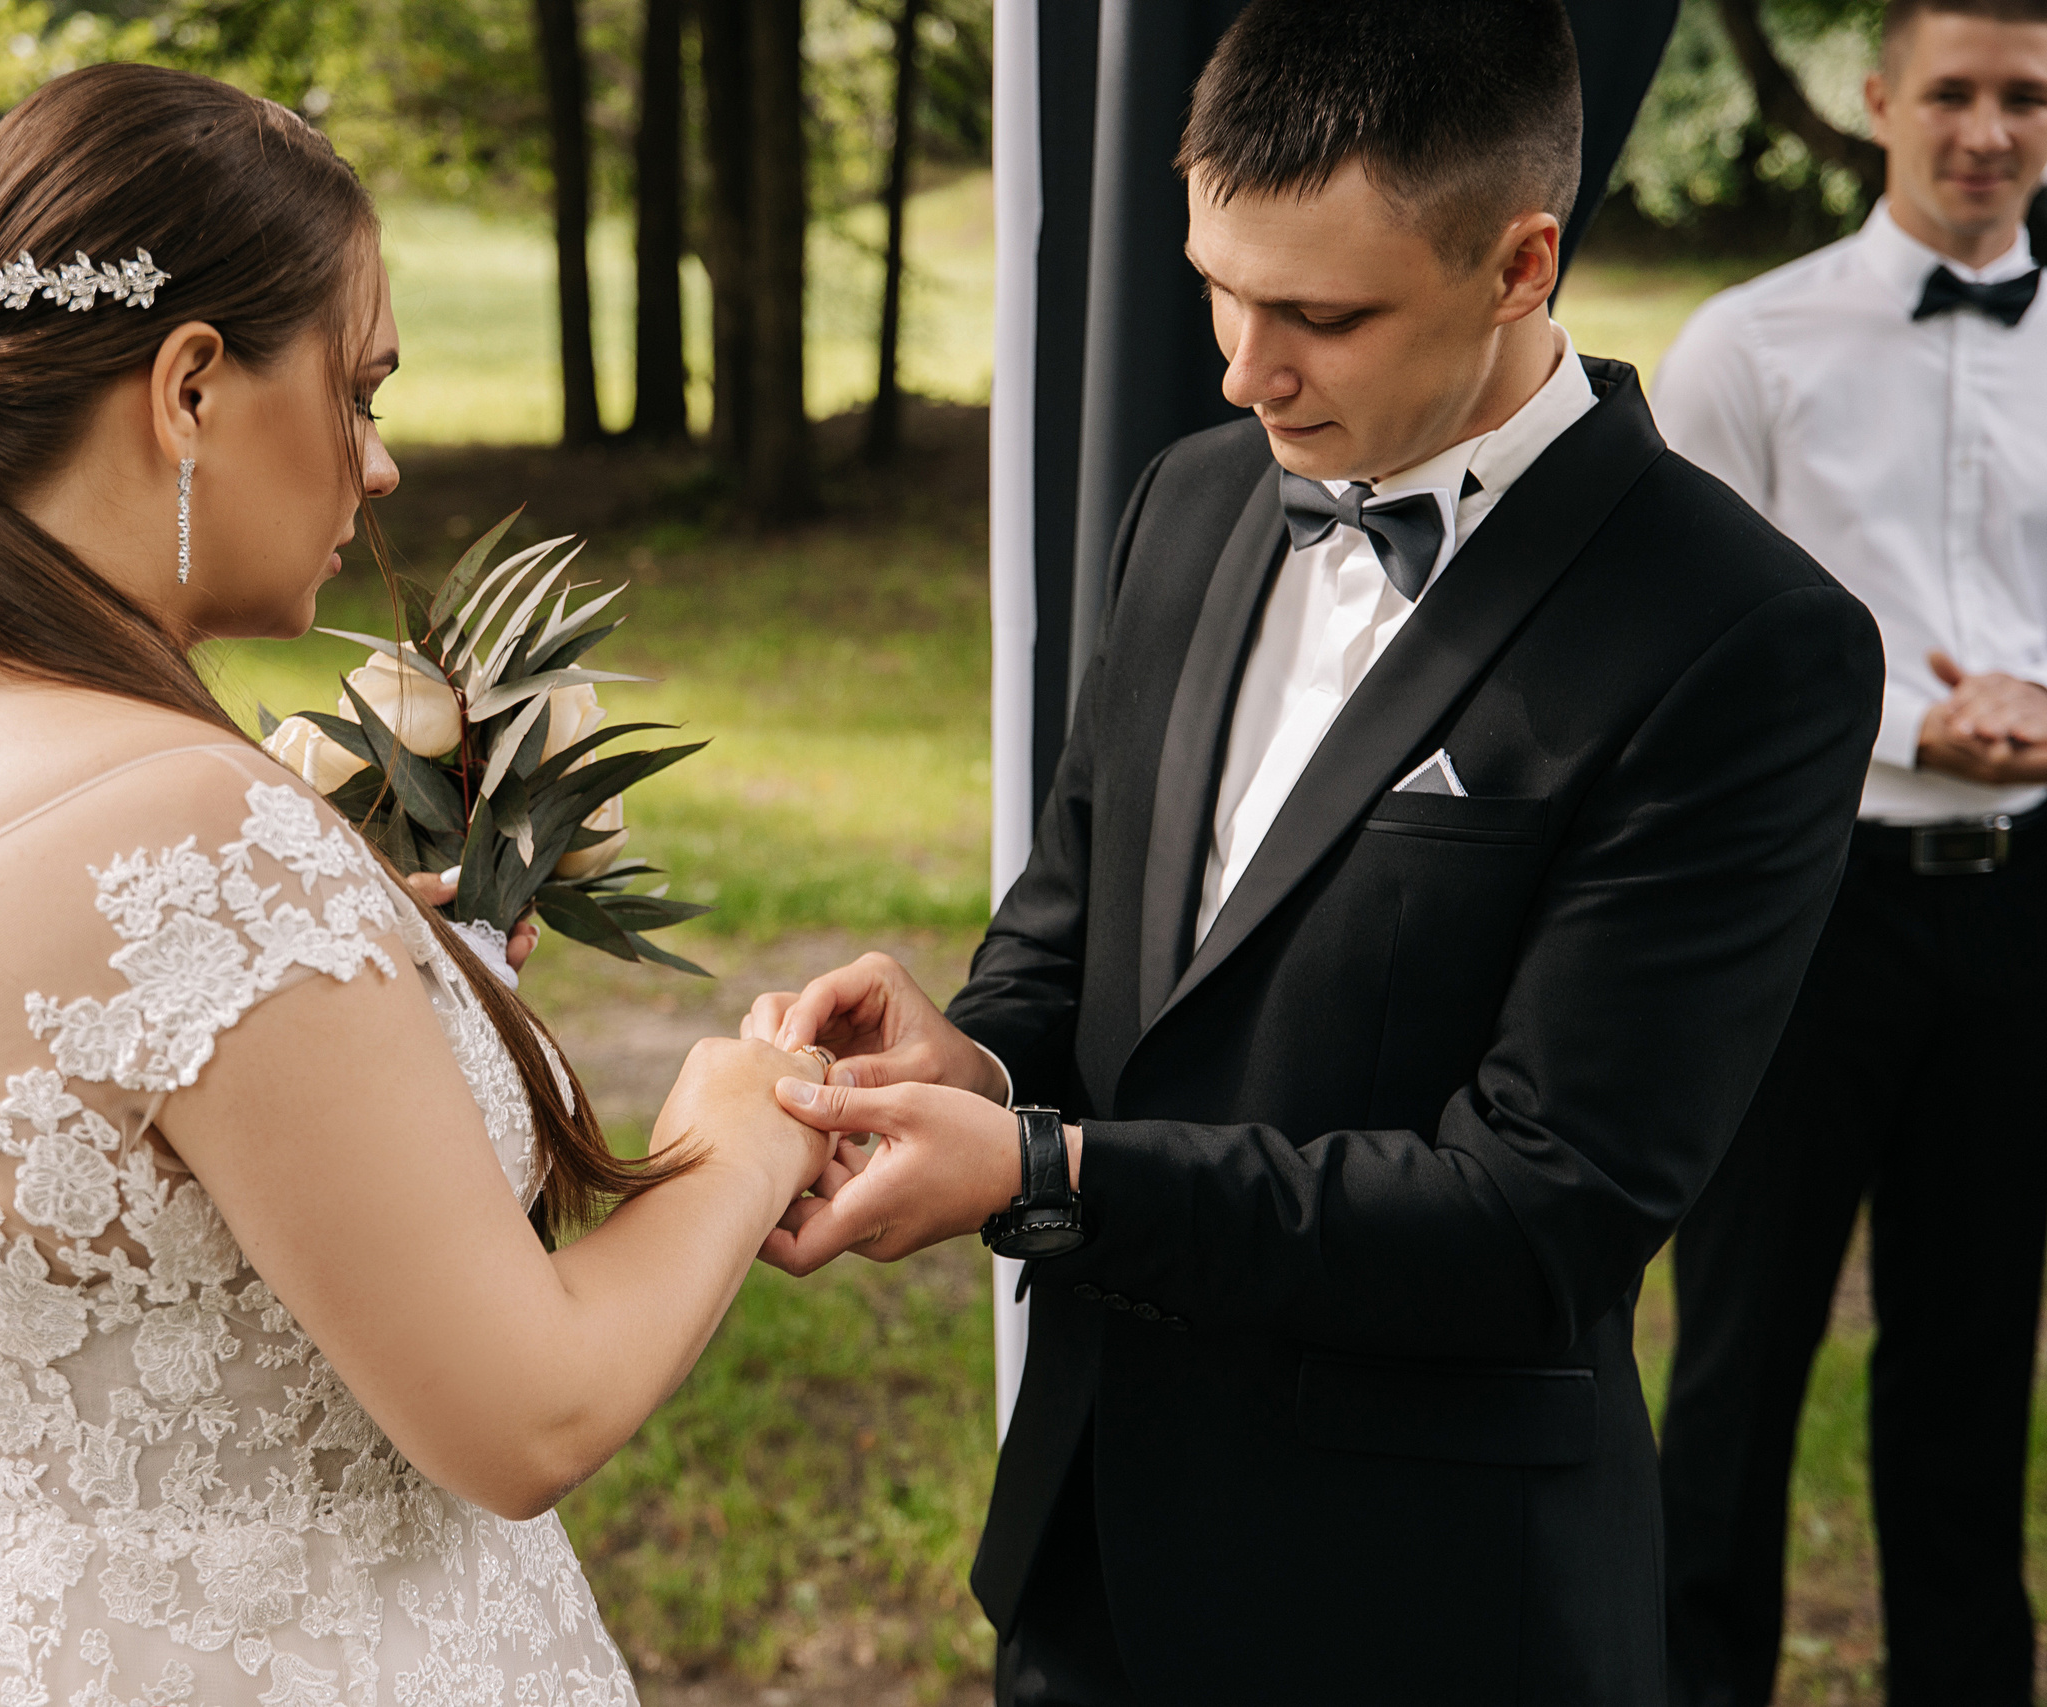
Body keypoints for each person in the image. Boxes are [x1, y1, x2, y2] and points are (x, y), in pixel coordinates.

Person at [0, 64, 836, 1704]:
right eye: (362, 391)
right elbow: (526, 1411)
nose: (382, 466)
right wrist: (740, 1120)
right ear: (190, 384)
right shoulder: (191, 836)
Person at [741, 3, 1885, 1702]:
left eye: (1321, 316)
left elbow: (1535, 1217)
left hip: (1428, 1611)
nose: (1242, 368)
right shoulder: (1190, 500)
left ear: (1522, 264)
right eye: (1217, 285)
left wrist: (1045, 1175)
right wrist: (974, 1053)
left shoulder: (1742, 640)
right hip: (1093, 1559)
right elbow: (1078, 937)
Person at [1648, 3, 2047, 1702]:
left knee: (1972, 1369)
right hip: (1800, 911)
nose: (1987, 128)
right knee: (1740, 1355)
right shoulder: (1745, 349)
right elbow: (1682, 647)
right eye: (1950, 92)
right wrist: (1908, 730)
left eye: (2025, 97)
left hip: (2027, 911)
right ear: (1877, 99)